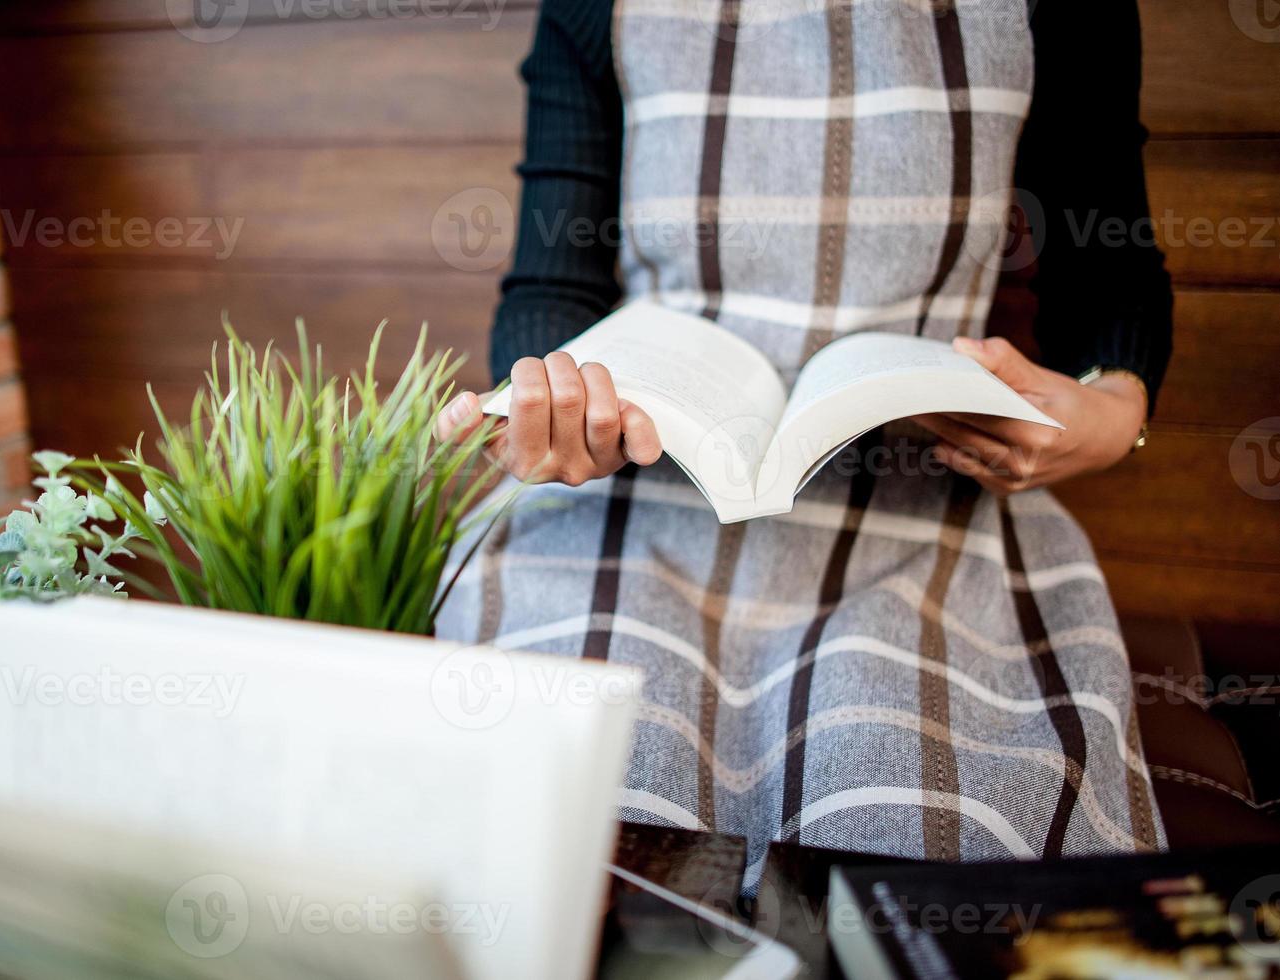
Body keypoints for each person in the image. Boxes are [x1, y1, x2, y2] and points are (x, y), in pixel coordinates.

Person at [436, 0, 1172, 869]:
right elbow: (550, 287)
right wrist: (547, 400)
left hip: (923, 511)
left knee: (925, 817)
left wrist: (1116, 411)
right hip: (632, 498)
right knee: (545, 804)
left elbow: (1113, 274)